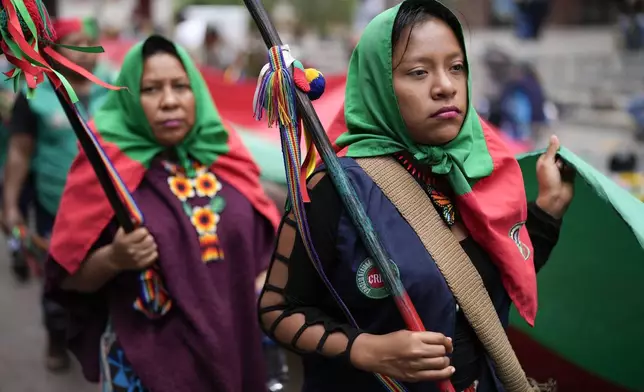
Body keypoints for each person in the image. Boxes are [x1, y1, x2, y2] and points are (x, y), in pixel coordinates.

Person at [258, 1, 574, 391]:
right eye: (419, 72)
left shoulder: (477, 173)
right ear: (379, 84)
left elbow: (485, 292)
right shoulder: (334, 188)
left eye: (456, 67)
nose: (445, 86)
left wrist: (547, 211)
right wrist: (367, 349)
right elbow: (277, 310)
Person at [44, 35, 279, 392]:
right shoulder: (104, 165)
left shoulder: (223, 149)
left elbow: (265, 254)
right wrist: (114, 258)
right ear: (128, 96)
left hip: (235, 350)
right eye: (151, 89)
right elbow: (67, 278)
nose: (169, 101)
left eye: (180, 87)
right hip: (148, 369)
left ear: (196, 91)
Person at [1, 16, 115, 372]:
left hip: (110, 207)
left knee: (109, 274)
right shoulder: (36, 95)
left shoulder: (114, 89)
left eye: (88, 44)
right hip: (56, 208)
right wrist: (11, 206)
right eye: (73, 44)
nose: (83, 54)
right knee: (59, 276)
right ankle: (56, 335)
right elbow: (20, 152)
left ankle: (105, 340)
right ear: (54, 50)